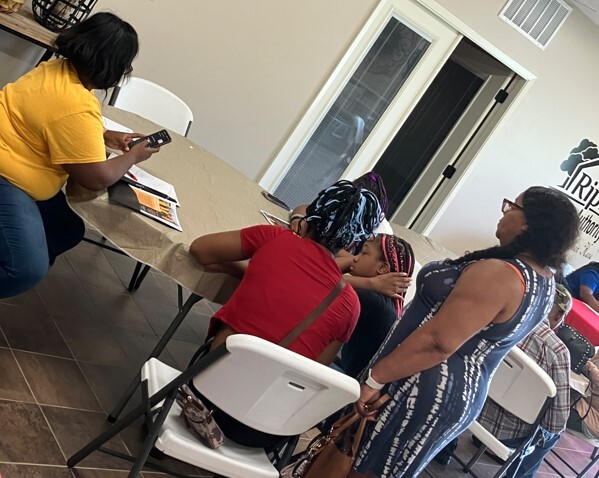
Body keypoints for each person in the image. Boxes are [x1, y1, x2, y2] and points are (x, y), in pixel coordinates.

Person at [347, 187, 580, 478]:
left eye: (512, 206)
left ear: (528, 224)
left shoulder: (503, 275)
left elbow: (437, 343)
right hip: (447, 389)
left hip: (421, 383)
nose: (504, 211)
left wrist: (375, 379)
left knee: (366, 469)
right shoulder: (542, 279)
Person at [188, 180, 381, 447]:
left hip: (205, 392)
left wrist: (254, 273)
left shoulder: (274, 239)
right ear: (354, 244)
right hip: (264, 429)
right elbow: (313, 370)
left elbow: (200, 250)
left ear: (310, 215)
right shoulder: (349, 305)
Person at [0, 12, 159, 299]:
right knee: (26, 269)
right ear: (112, 67)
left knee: (67, 228)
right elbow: (96, 178)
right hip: (6, 178)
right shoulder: (76, 104)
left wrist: (105, 135)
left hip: (11, 167)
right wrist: (134, 156)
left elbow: (56, 125)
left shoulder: (56, 69)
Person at [436, 284, 572, 476]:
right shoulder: (557, 351)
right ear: (558, 317)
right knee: (551, 435)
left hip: (469, 404)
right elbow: (556, 422)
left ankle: (444, 450)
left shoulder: (503, 314)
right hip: (511, 432)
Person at [339, 234, 415, 378]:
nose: (355, 257)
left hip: (347, 384)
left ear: (382, 267)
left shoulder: (372, 301)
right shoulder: (384, 302)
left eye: (364, 253)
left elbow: (321, 275)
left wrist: (371, 283)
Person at [568, 349, 599, 440]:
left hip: (591, 420)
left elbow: (589, 367)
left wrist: (585, 363)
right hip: (579, 397)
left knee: (549, 404)